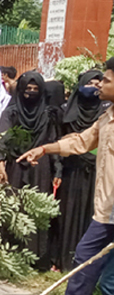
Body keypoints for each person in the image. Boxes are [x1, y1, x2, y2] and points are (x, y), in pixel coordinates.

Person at [20, 59, 114, 295]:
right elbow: (81, 141)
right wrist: (44, 149)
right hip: (106, 210)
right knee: (86, 255)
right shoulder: (107, 118)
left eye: (106, 81)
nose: (99, 85)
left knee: (110, 281)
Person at [0, 72, 60, 271]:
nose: (31, 93)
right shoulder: (11, 113)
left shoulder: (48, 114)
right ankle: (11, 257)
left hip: (40, 167)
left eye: (35, 89)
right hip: (16, 165)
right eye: (27, 89)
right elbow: (1, 139)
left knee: (36, 211)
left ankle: (36, 259)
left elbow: (52, 142)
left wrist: (57, 169)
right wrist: (0, 163)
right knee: (14, 208)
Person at [53, 71, 105, 271]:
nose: (95, 87)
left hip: (96, 172)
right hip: (71, 171)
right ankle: (63, 260)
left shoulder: (105, 115)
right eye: (90, 83)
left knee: (90, 214)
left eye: (98, 83)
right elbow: (57, 141)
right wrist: (58, 169)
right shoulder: (65, 111)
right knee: (68, 214)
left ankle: (87, 263)